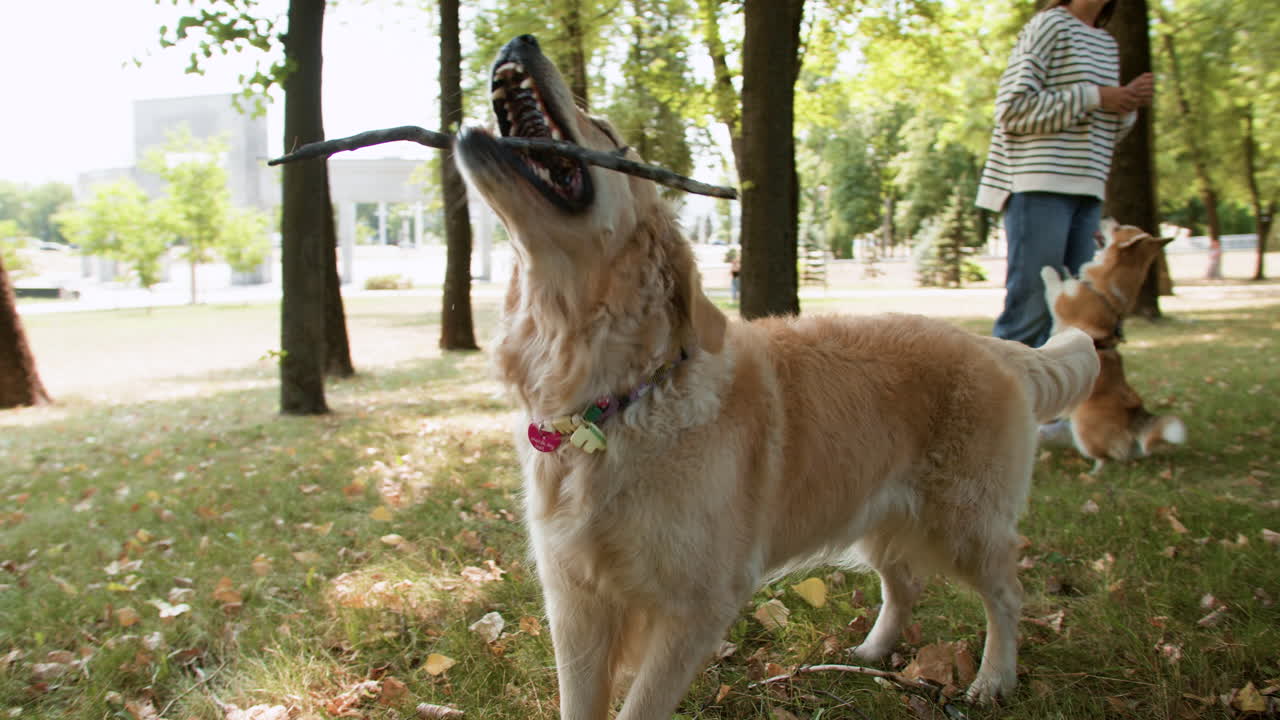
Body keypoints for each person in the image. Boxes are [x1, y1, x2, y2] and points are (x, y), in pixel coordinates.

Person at [976, 0, 1154, 349]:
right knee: (1030, 313)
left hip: (1089, 185)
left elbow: (1101, 127)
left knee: (1079, 321)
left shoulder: (1106, 43)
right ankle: (1000, 401)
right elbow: (1012, 109)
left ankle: (1067, 404)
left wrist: (1125, 105)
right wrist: (1095, 96)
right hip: (1038, 183)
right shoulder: (1049, 25)